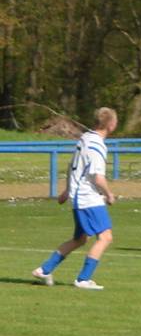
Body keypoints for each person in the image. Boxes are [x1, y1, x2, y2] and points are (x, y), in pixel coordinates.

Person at [32, 107, 118, 290]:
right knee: (105, 237)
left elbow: (73, 166)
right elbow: (97, 177)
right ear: (111, 124)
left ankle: (44, 269)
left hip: (79, 196)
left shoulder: (85, 138)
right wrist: (109, 194)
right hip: (89, 198)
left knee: (80, 239)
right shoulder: (97, 145)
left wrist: (67, 190)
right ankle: (83, 279)